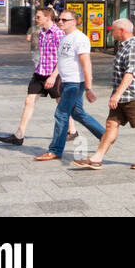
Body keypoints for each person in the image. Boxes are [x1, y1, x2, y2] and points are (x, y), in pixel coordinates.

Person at [73, 19, 135, 170]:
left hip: (134, 96)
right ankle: (97, 158)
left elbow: (130, 73)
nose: (112, 32)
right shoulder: (124, 47)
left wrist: (117, 94)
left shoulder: (134, 47)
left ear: (122, 30)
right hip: (122, 96)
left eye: (113, 30)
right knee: (111, 124)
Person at [33, 9, 105, 162]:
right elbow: (62, 61)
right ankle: (105, 136)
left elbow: (86, 64)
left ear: (74, 21)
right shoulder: (65, 38)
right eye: (59, 19)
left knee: (61, 114)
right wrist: (57, 78)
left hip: (75, 83)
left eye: (64, 20)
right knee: (78, 113)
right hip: (66, 82)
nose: (60, 22)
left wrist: (88, 88)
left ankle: (55, 150)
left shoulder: (80, 39)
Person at [0, 7, 78, 146]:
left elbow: (63, 58)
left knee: (61, 102)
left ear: (47, 18)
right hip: (40, 72)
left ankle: (72, 130)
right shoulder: (42, 32)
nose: (35, 19)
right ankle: (19, 135)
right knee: (29, 101)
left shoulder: (58, 34)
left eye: (38, 17)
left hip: (55, 74)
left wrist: (53, 76)